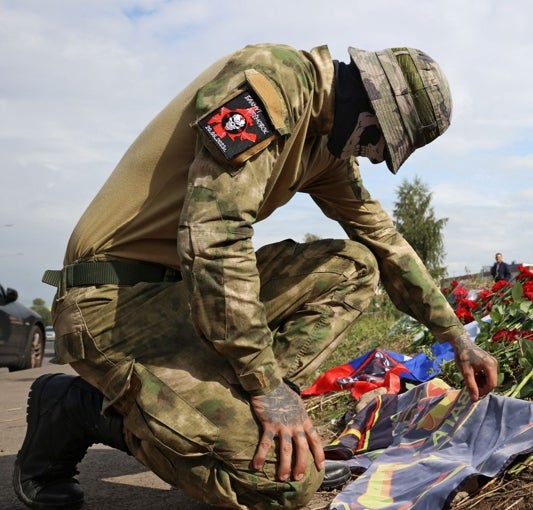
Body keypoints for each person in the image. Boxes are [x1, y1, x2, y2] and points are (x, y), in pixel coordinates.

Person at [14, 43, 499, 510]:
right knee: (282, 484)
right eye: (379, 148)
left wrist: (455, 336)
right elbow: (216, 236)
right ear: (369, 116)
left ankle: (253, 422)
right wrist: (266, 385)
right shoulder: (271, 83)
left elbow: (384, 241)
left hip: (179, 298)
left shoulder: (325, 148)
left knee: (353, 266)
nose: (372, 158)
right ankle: (78, 409)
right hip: (110, 304)